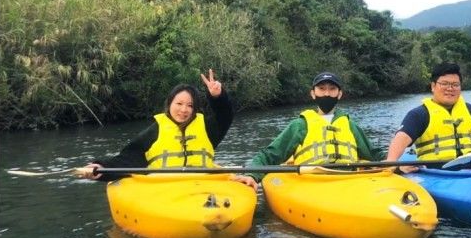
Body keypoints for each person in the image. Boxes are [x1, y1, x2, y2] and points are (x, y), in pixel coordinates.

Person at [82, 69, 252, 188]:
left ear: (195, 109)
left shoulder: (207, 128)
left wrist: (217, 97)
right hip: (164, 188)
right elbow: (129, 159)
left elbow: (225, 116)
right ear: (169, 104)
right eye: (179, 103)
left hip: (203, 185)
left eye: (189, 105)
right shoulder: (154, 131)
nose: (184, 109)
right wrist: (100, 167)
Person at [245, 71, 383, 179]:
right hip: (312, 181)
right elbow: (270, 155)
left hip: (348, 179)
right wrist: (252, 175)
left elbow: (375, 155)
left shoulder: (350, 125)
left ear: (339, 94)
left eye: (332, 89)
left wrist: (397, 164)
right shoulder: (300, 125)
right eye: (321, 88)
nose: (327, 93)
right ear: (313, 93)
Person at [385, 61, 471, 170]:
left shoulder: (469, 110)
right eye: (444, 84)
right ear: (433, 86)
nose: (450, 88)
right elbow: (401, 138)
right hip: (436, 172)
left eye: (455, 85)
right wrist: (393, 163)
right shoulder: (419, 114)